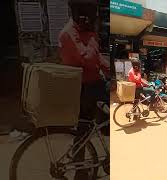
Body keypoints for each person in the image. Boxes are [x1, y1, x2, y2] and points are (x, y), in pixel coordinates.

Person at [58, 0, 108, 179]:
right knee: (86, 128)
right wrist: (94, 38)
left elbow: (98, 59)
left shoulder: (83, 30)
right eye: (84, 10)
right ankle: (80, 168)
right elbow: (87, 58)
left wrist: (110, 69)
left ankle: (82, 170)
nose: (89, 15)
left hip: (93, 84)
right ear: (75, 10)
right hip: (84, 87)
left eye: (91, 11)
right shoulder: (69, 33)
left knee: (85, 129)